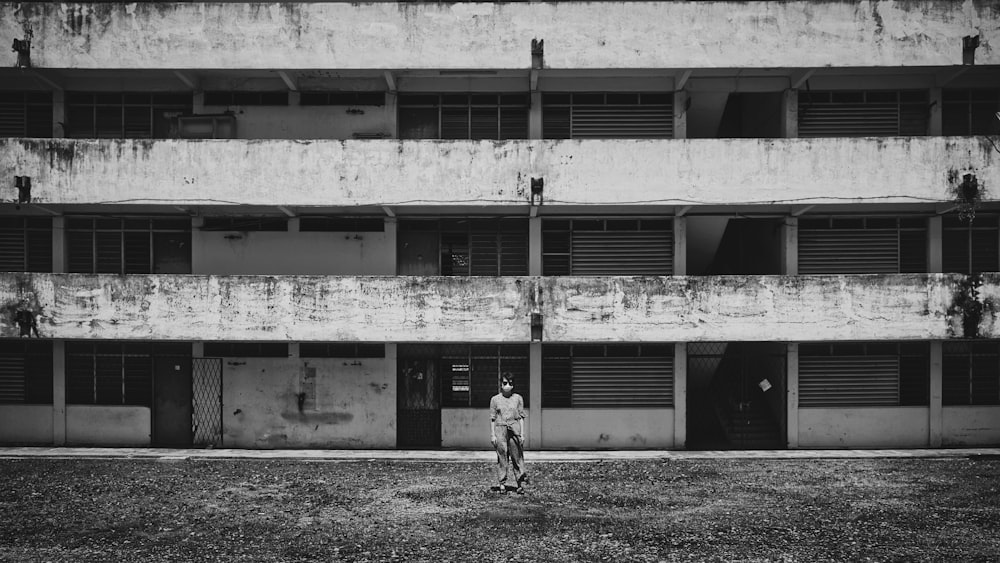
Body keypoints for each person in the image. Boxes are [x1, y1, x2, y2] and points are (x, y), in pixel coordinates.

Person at [489, 372, 528, 494]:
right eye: (505, 383)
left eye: (510, 383)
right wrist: (493, 435)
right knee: (502, 457)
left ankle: (520, 484)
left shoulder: (518, 398)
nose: (507, 385)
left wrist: (522, 434)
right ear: (501, 384)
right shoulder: (495, 399)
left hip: (514, 429)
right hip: (500, 429)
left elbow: (521, 417)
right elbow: (493, 418)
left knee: (517, 457)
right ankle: (502, 484)